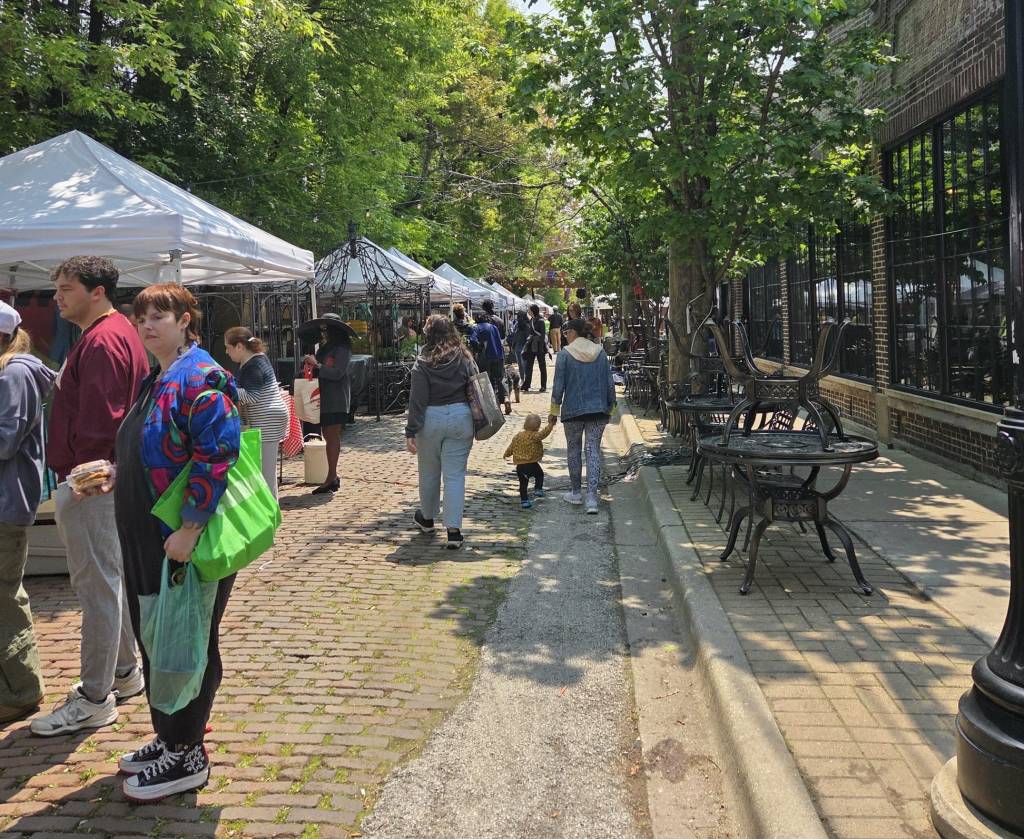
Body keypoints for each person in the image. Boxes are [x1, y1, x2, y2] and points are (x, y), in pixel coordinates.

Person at [113, 283, 241, 801]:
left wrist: (190, 528)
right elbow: (154, 449)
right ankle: (170, 736)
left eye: (160, 315)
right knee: (156, 635)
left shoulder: (202, 377)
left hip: (180, 538)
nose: (147, 325)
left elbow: (218, 456)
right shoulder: (158, 376)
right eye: (141, 316)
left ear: (187, 320)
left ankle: (188, 751)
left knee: (184, 640)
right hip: (148, 536)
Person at [31, 256, 148, 738]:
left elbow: (104, 418)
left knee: (97, 586)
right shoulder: (112, 333)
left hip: (93, 480)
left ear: (97, 291)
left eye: (66, 288)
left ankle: (95, 696)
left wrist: (85, 479)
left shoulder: (102, 339)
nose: (57, 296)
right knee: (106, 580)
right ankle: (124, 673)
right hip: (99, 477)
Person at [0, 303, 56, 724]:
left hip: (6, 504)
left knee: (4, 597)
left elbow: (5, 440)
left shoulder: (15, 373)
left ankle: (20, 689)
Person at [405, 315, 475, 550]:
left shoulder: (423, 361)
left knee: (429, 473)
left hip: (431, 419)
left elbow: (417, 398)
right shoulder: (464, 356)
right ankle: (454, 531)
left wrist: (411, 430)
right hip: (460, 416)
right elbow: (476, 385)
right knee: (455, 476)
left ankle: (427, 517)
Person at [549, 319, 616, 515]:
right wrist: (610, 408)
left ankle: (576, 493)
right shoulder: (600, 353)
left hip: (572, 411)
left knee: (574, 449)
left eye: (566, 332)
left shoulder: (564, 355)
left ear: (573, 333)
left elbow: (558, 387)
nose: (564, 335)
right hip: (598, 410)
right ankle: (592, 498)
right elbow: (609, 383)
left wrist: (554, 412)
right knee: (593, 450)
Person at [224, 327, 288, 500]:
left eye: (228, 347)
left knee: (266, 473)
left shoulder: (253, 364)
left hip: (267, 420)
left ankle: (270, 514)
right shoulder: (255, 361)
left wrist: (227, 388)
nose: (226, 352)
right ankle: (269, 512)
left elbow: (253, 396)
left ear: (239, 346)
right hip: (269, 418)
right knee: (265, 471)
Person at [301, 313, 352, 495]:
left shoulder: (342, 349)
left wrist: (319, 366)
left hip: (336, 398)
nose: (323, 332)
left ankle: (331, 477)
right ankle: (332, 476)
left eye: (326, 329)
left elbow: (337, 372)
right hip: (323, 396)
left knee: (332, 435)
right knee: (327, 435)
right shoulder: (326, 347)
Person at [503, 413, 555, 509]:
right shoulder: (534, 436)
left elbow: (512, 446)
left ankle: (524, 501)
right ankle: (538, 489)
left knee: (523, 484)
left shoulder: (518, 436)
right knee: (539, 475)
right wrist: (550, 424)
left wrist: (507, 454)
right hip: (532, 464)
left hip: (520, 466)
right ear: (538, 427)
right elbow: (544, 433)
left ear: (524, 424)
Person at [471, 311, 512, 415]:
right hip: (498, 356)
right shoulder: (493, 327)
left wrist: (479, 349)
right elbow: (499, 340)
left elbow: (473, 341)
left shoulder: (476, 327)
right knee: (500, 379)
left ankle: (495, 405)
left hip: (485, 358)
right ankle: (506, 399)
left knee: (487, 381)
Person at [522, 304, 549, 392]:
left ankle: (543, 385)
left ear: (533, 311)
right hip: (531, 345)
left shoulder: (540, 321)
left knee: (542, 366)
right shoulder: (531, 320)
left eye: (529, 310)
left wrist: (541, 348)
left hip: (539, 345)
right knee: (529, 366)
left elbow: (542, 335)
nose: (528, 311)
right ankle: (527, 384)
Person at [509, 310, 531, 380]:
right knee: (523, 365)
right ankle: (524, 380)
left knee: (522, 365)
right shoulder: (524, 325)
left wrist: (513, 346)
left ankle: (524, 380)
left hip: (520, 347)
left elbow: (515, 336)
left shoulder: (522, 325)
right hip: (520, 347)